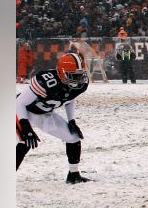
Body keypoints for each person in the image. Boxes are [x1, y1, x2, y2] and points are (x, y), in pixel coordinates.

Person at [15, 52, 91, 182]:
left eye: (79, 74)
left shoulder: (78, 85)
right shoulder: (45, 82)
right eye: (73, 76)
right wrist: (26, 127)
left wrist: (72, 120)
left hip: (42, 113)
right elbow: (20, 103)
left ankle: (73, 175)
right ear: (62, 73)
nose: (78, 80)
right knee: (24, 142)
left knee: (73, 138)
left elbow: (70, 98)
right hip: (20, 110)